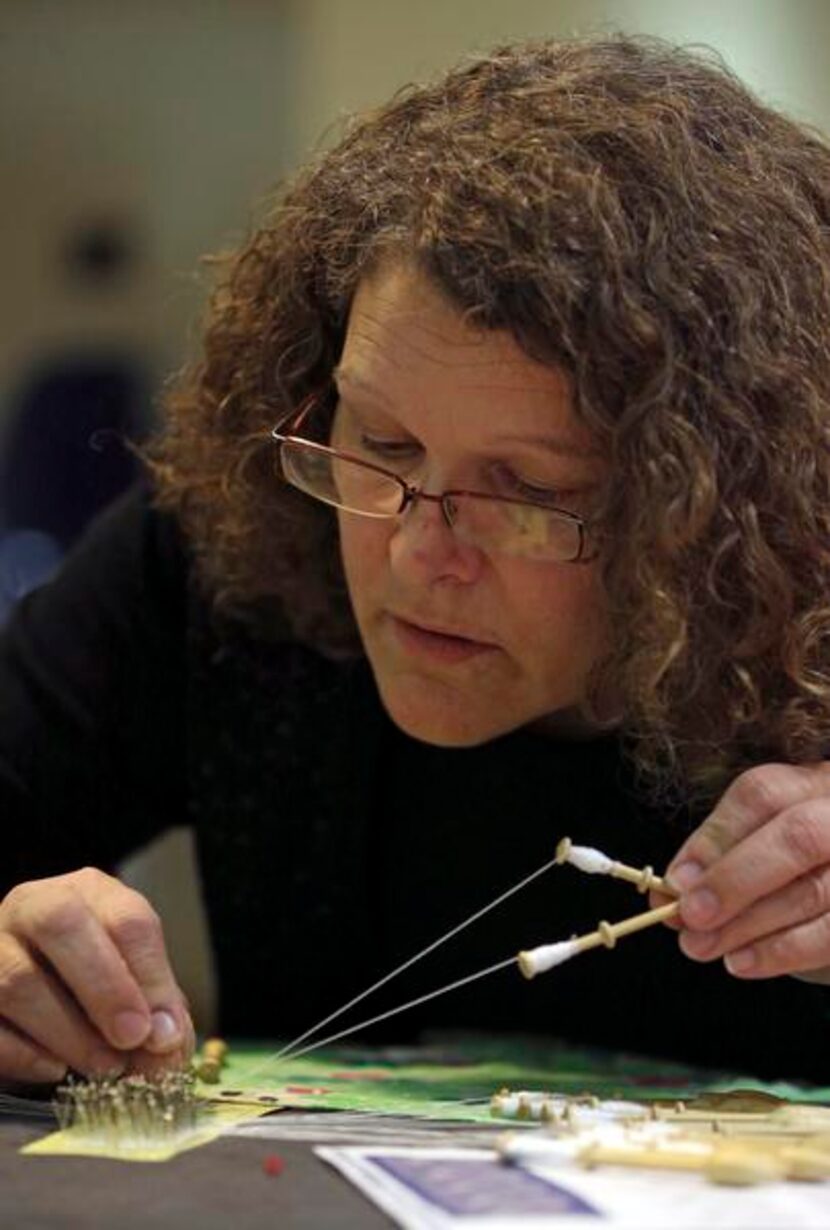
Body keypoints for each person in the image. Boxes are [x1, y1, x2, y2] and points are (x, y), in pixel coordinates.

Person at [3, 33, 830, 1089]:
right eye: (381, 444)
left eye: (529, 490)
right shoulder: (237, 545)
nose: (415, 550)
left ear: (712, 507)